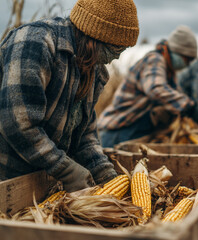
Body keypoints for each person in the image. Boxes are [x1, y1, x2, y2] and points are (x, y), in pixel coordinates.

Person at [0, 0, 139, 192]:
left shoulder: (94, 71)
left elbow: (85, 136)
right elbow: (18, 124)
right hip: (7, 177)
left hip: (42, 181)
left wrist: (107, 176)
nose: (117, 57)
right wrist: (66, 170)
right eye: (116, 49)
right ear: (96, 35)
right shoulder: (35, 42)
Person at [97, 25, 198, 147]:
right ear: (176, 51)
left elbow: (174, 96)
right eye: (186, 59)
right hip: (118, 131)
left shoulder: (169, 72)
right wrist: (189, 107)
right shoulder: (154, 60)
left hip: (133, 132)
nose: (187, 64)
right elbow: (155, 89)